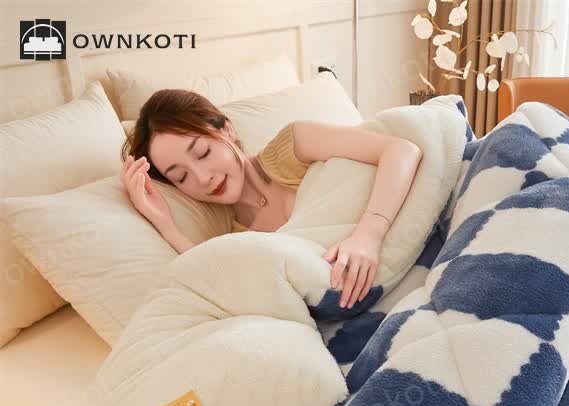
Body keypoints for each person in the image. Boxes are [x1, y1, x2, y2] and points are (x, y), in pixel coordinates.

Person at [120, 89, 423, 308]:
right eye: (181, 177)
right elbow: (228, 291)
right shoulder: (235, 238)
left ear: (227, 130)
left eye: (203, 153)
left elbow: (401, 150)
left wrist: (368, 236)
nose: (202, 178)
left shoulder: (293, 147)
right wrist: (165, 223)